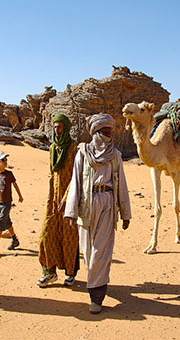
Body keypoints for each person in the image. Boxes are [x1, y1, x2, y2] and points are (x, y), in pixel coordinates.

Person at [64, 113, 131, 314]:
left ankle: (96, 294)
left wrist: (125, 213)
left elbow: (122, 185)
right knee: (87, 250)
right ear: (96, 132)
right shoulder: (83, 154)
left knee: (101, 250)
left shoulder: (115, 156)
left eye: (110, 132)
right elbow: (75, 181)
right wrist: (71, 211)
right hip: (86, 204)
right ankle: (96, 281)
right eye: (104, 132)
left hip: (108, 204)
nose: (108, 136)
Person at [37, 114, 81, 287]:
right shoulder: (52, 148)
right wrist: (51, 199)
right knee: (46, 235)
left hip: (70, 199)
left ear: (67, 128)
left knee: (69, 237)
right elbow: (52, 175)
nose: (57, 130)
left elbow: (76, 176)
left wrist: (66, 198)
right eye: (55, 127)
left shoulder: (73, 148)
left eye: (60, 127)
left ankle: (70, 273)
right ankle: (49, 271)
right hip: (53, 201)